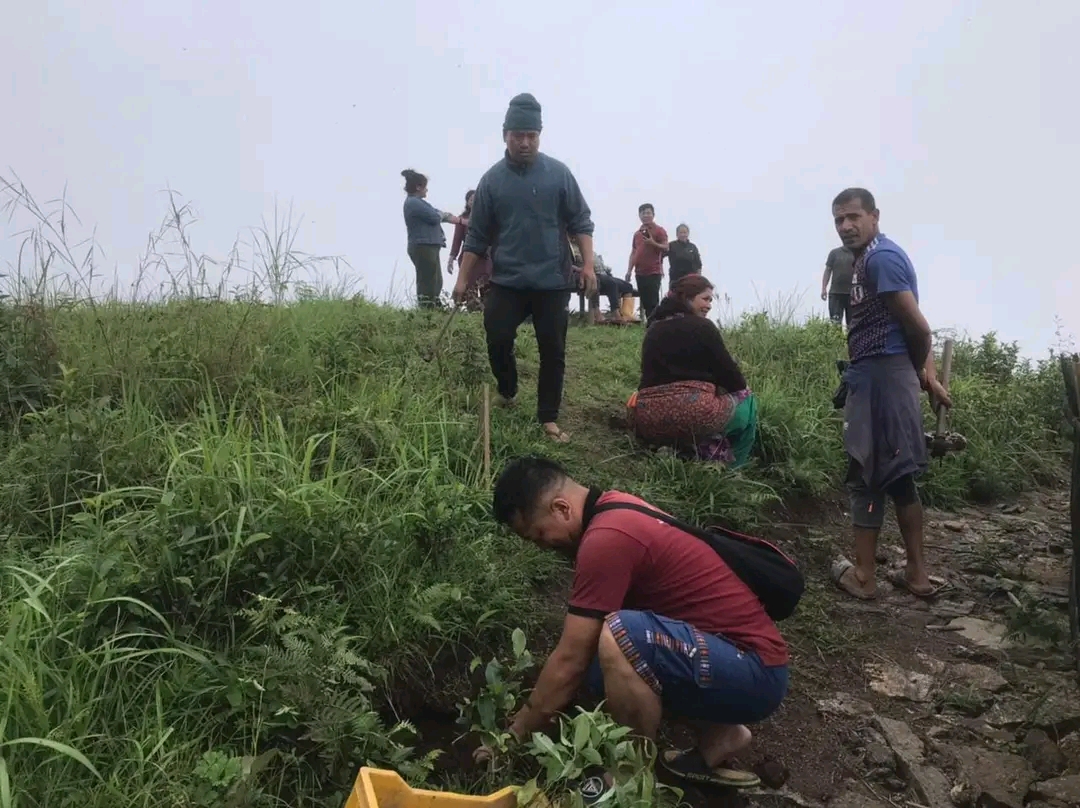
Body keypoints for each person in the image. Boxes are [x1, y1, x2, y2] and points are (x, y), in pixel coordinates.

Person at [484, 456, 789, 788]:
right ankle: (721, 736)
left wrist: (515, 734)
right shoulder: (613, 507)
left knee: (619, 636)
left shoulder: (606, 538)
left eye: (538, 535)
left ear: (561, 509)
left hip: (755, 671)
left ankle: (630, 776)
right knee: (602, 662)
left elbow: (569, 660)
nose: (543, 546)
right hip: (730, 658)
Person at [828, 188, 953, 601]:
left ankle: (864, 577)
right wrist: (925, 374)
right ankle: (917, 574)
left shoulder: (880, 259)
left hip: (882, 377)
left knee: (866, 476)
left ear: (874, 216)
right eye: (839, 221)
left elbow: (919, 328)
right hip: (889, 374)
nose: (846, 226)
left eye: (853, 217)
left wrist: (923, 375)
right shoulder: (874, 257)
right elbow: (914, 325)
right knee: (898, 476)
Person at [454, 93, 597, 444]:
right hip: (508, 280)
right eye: (518, 134)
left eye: (531, 135)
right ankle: (508, 388)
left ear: (540, 135)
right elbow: (476, 236)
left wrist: (589, 264)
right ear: (505, 134)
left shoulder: (559, 175)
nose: (524, 142)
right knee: (497, 332)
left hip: (552, 281)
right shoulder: (492, 181)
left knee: (553, 348)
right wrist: (462, 279)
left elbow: (581, 221)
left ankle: (548, 417)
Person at [628, 275, 758, 467]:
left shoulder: (654, 328)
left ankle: (677, 449)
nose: (709, 305)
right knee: (747, 399)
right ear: (687, 298)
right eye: (705, 299)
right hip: (694, 413)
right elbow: (735, 382)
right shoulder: (704, 327)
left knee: (693, 416)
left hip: (648, 418)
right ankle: (732, 469)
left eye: (711, 300)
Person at [401, 169, 462, 309]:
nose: (426, 190)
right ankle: (426, 309)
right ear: (418, 187)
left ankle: (434, 306)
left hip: (429, 246)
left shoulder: (420, 203)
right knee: (427, 281)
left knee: (436, 280)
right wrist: (440, 214)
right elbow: (435, 217)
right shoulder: (413, 203)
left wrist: (457, 220)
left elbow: (440, 215)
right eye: (425, 186)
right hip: (423, 246)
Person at [448, 190, 493, 311]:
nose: (474, 202)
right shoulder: (462, 220)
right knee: (470, 286)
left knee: (487, 285)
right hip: (468, 257)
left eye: (476, 199)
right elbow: (456, 240)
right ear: (467, 203)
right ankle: (473, 313)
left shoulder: (488, 217)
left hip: (486, 258)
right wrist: (451, 258)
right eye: (471, 200)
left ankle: (488, 313)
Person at [624, 204, 668, 321]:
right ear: (639, 216)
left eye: (648, 213)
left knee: (653, 300)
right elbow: (634, 253)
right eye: (643, 213)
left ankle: (656, 324)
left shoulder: (659, 230)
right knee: (645, 301)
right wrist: (629, 270)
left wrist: (653, 243)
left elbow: (666, 247)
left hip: (654, 270)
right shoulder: (637, 234)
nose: (646, 215)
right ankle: (651, 324)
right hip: (639, 272)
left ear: (653, 215)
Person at [820, 244, 855, 326]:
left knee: (852, 324)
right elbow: (828, 270)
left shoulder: (858, 253)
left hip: (852, 295)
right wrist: (824, 288)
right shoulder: (834, 253)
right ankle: (837, 339)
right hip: (836, 293)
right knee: (835, 322)